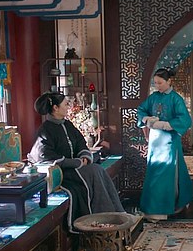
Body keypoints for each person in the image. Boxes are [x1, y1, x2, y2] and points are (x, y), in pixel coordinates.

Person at [28, 92, 125, 231]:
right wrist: (76, 163)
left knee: (97, 170)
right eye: (65, 104)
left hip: (78, 167)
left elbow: (80, 142)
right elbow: (45, 156)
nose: (68, 107)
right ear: (55, 108)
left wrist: (84, 157)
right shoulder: (45, 130)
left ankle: (115, 215)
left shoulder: (67, 124)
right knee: (94, 171)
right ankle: (104, 219)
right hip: (63, 172)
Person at [137, 68, 193, 221]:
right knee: (154, 170)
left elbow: (185, 119)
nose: (157, 86)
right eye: (155, 83)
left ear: (169, 81)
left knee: (166, 172)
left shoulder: (176, 99)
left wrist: (166, 124)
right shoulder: (153, 97)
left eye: (160, 83)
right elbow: (141, 110)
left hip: (169, 140)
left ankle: (163, 208)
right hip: (155, 141)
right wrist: (146, 119)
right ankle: (152, 207)